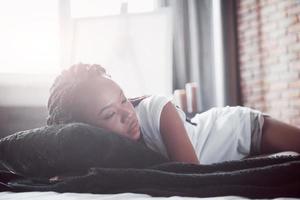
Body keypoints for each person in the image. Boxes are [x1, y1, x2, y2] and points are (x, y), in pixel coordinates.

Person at [47, 63, 300, 165]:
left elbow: (191, 178)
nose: (126, 114)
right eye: (109, 114)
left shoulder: (158, 110)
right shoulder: (98, 149)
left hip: (241, 130)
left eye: (123, 99)